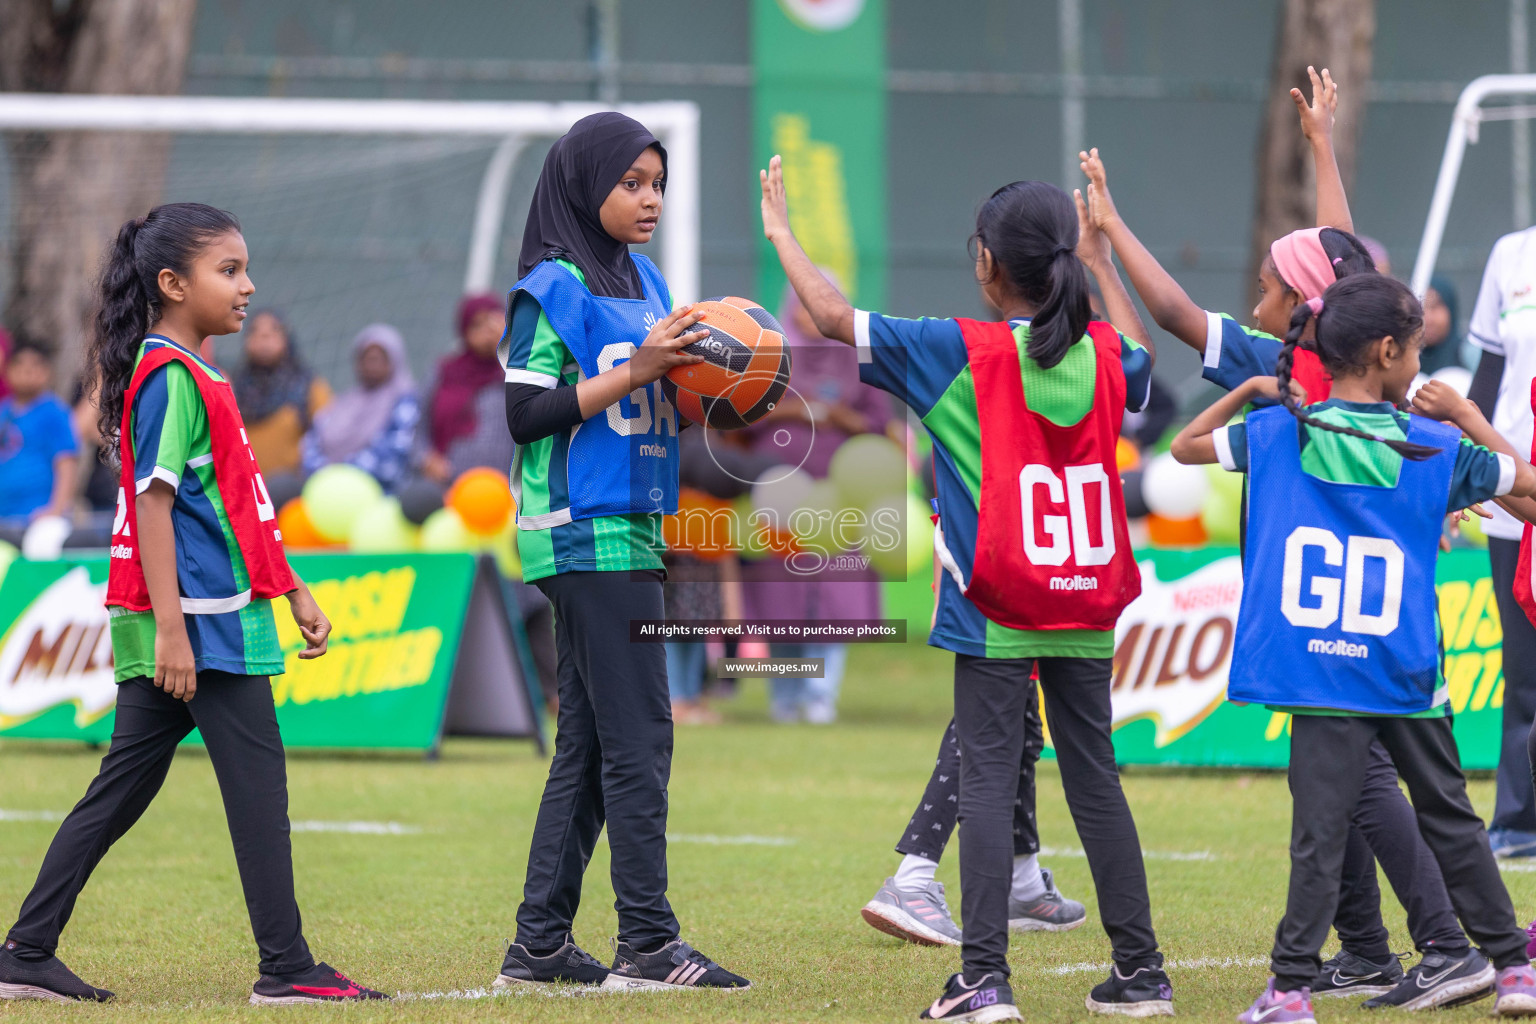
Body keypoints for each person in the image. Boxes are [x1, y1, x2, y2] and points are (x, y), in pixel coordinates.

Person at [1083, 69, 1488, 1007]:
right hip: (1358, 593)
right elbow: (1343, 262)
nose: (1257, 289)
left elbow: (1189, 312)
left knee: (1364, 779)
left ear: (1298, 304)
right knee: (1336, 786)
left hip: (1329, 602)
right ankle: (1375, 950)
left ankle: (1446, 945)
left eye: (1268, 282)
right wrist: (1319, 146)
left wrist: (1110, 232)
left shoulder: (1287, 368)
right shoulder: (1338, 351)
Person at [763, 153, 1170, 1021]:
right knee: (1096, 779)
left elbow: (831, 316)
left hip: (1000, 600)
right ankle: (1141, 975)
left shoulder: (957, 350)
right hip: (1085, 592)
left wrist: (782, 235)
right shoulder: (1101, 352)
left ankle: (984, 980)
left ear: (987, 264)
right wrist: (1100, 254)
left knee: (987, 781)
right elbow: (1142, 360)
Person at [0, 203, 385, 1006]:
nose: (248, 287)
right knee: (257, 783)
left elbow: (235, 506)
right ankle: (286, 967)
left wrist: (293, 587)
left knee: (123, 786)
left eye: (245, 269)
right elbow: (153, 507)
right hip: (201, 629)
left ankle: (26, 951)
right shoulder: (170, 376)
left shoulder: (196, 372)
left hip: (205, 619)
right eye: (230, 271)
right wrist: (173, 632)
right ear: (173, 284)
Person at [1170, 273, 1536, 1021]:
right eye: (1416, 351)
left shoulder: (1279, 433)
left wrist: (1248, 393)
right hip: (1403, 668)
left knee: (1318, 836)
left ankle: (1290, 992)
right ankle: (1513, 971)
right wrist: (1468, 415)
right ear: (1389, 350)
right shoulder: (1433, 445)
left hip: (1319, 670)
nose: (1420, 366)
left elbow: (1181, 449)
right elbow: (1528, 488)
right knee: (1453, 820)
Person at [491, 112, 750, 993]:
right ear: (581, 182)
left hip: (638, 525)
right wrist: (638, 371)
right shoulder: (547, 288)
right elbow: (524, 415)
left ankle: (540, 945)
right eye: (631, 182)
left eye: (657, 184)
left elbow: (661, 403)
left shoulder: (646, 277)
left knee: (596, 743)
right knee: (642, 735)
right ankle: (648, 944)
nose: (649, 199)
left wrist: (730, 385)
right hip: (582, 529)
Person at [738, 281, 893, 724]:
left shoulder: (857, 359)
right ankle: (785, 698)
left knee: (835, 599)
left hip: (841, 502)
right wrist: (789, 411)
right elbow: (735, 420)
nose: (810, 312)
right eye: (801, 304)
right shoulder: (768, 357)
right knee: (779, 600)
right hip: (776, 498)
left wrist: (843, 419)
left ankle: (821, 694)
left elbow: (881, 428)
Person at [1466, 225, 1536, 859]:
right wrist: (1458, 473)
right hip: (1515, 495)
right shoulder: (1510, 253)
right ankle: (1517, 821)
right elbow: (1487, 378)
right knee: (1524, 670)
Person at [302, 323, 419, 492]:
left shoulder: (406, 403)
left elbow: (393, 455)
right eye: (365, 358)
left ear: (394, 361)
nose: (371, 365)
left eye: (378, 358)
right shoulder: (342, 403)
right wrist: (324, 473)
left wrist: (341, 475)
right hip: (329, 496)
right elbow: (312, 443)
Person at [420, 293, 509, 484]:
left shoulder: (517, 371)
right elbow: (418, 426)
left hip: (503, 491)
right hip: (446, 486)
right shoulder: (444, 371)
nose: (487, 331)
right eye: (476, 325)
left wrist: (508, 349)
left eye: (492, 322)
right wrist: (426, 459)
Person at [231, 309, 330, 477]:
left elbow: (329, 439)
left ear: (287, 339)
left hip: (295, 494)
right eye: (255, 331)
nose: (264, 336)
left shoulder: (309, 387)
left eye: (274, 330)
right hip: (247, 492)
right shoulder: (231, 389)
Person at [0, 342, 78, 530]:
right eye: (20, 365)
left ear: (46, 372)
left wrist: (56, 510)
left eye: (35, 366)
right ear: (8, 371)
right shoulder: (3, 411)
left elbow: (66, 463)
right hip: (4, 516)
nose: (27, 372)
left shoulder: (54, 413)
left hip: (38, 517)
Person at [1420, 274, 1472, 375]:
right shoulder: (1400, 363)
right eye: (1420, 308)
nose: (1427, 318)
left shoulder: (1468, 356)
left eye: (1434, 307)